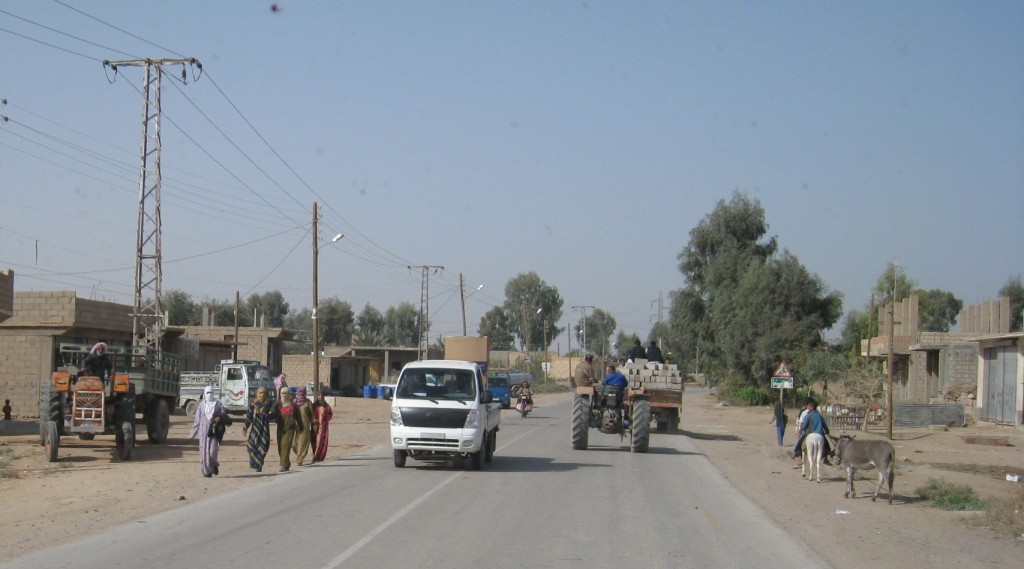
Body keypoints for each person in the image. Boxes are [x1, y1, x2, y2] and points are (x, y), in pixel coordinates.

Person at [188, 386, 229, 477]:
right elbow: (197, 421)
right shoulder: (201, 406)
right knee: (203, 452)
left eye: (211, 392)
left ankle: (214, 465)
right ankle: (207, 472)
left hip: (213, 432)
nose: (209, 395)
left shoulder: (218, 404)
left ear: (214, 393)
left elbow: (224, 414)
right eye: (207, 393)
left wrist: (219, 417)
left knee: (212, 451)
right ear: (204, 394)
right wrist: (192, 434)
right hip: (203, 433)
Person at [790, 399, 832, 465]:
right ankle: (826, 457)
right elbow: (824, 425)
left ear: (811, 407)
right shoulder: (820, 416)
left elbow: (803, 426)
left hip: (810, 433)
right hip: (820, 434)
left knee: (800, 443)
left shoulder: (808, 415)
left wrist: (800, 431)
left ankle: (796, 453)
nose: (807, 408)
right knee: (826, 443)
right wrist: (827, 431)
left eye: (808, 406)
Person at [242, 387, 273, 472]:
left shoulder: (268, 403)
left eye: (263, 393)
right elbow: (249, 417)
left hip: (264, 430)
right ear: (257, 394)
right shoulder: (253, 405)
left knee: (263, 447)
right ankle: (253, 463)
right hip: (255, 429)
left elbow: (269, 412)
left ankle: (259, 465)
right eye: (260, 393)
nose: (262, 395)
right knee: (250, 445)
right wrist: (245, 428)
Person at [269, 387, 300, 472]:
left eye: (285, 393)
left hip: (290, 429)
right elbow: (273, 413)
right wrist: (268, 414)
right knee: (280, 447)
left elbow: (299, 418)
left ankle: (284, 465)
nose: (284, 395)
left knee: (285, 446)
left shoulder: (293, 405)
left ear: (288, 394)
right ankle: (287, 463)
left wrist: (301, 428)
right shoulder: (278, 404)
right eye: (282, 393)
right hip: (280, 428)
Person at [291, 386, 315, 466]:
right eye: (299, 392)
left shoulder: (308, 402)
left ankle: (299, 460)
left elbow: (312, 415)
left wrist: (314, 425)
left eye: (302, 392)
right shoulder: (294, 403)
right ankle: (299, 455)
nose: (300, 394)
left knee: (303, 443)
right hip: (297, 426)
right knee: (294, 445)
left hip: (305, 426)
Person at [311, 390, 334, 464]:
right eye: (318, 395)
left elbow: (330, 415)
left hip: (323, 427)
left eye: (321, 395)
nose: (320, 397)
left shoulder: (326, 405)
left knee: (321, 441)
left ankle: (319, 457)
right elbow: (310, 414)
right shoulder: (314, 405)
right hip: (315, 426)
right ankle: (315, 455)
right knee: (314, 442)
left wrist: (325, 417)